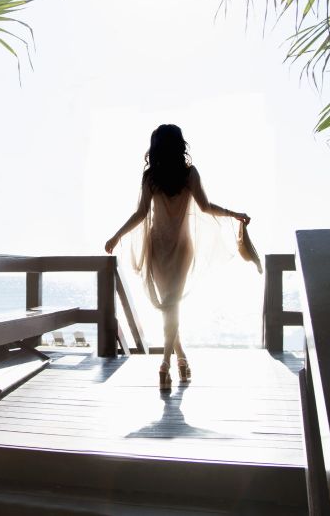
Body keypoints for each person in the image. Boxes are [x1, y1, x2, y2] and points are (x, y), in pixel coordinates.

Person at [104, 124, 250, 391]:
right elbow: (206, 207)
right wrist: (234, 214)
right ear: (179, 145)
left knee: (171, 309)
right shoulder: (188, 174)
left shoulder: (151, 177)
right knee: (172, 308)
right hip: (182, 249)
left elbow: (140, 214)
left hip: (157, 248)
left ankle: (170, 362)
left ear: (155, 147)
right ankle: (173, 362)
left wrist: (116, 236)